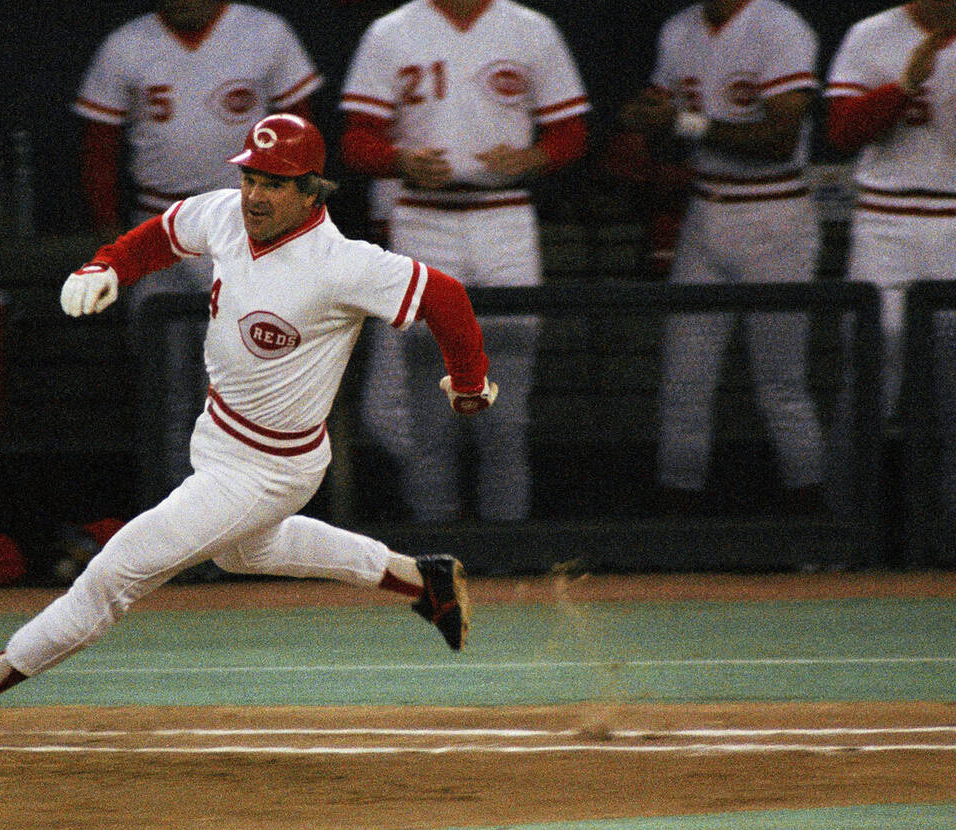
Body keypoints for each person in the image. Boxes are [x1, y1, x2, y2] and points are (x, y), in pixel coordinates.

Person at [0, 114, 496, 721]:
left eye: (275, 183)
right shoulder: (227, 214)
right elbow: (164, 233)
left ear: (312, 188)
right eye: (251, 177)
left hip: (271, 466)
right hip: (219, 437)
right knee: (242, 553)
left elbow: (445, 296)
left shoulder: (339, 263)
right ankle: (422, 581)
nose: (256, 195)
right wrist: (106, 265)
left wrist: (470, 381)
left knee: (119, 570)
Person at [339, 0, 589, 524]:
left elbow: (571, 132)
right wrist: (399, 160)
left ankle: (506, 537)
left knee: (508, 402)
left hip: (506, 217)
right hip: (422, 218)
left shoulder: (529, 28)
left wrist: (531, 158)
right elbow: (356, 140)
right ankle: (436, 533)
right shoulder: (392, 30)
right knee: (425, 402)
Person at [75, 0, 321, 515]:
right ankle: (178, 519)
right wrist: (113, 245)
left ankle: (253, 516)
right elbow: (98, 155)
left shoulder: (265, 32)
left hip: (251, 227)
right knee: (169, 392)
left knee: (254, 388)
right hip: (162, 223)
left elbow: (304, 143)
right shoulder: (126, 44)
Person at [620, 0, 826, 514]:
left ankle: (817, 531)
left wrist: (681, 123)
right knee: (683, 382)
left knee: (781, 384)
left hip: (774, 212)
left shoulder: (778, 23)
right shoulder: (678, 27)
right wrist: (641, 120)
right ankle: (677, 527)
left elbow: (780, 140)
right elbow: (655, 112)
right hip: (705, 206)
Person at [824, 0, 956, 526]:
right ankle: (848, 534)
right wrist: (904, 85)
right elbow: (841, 132)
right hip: (886, 222)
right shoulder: (870, 34)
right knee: (871, 380)